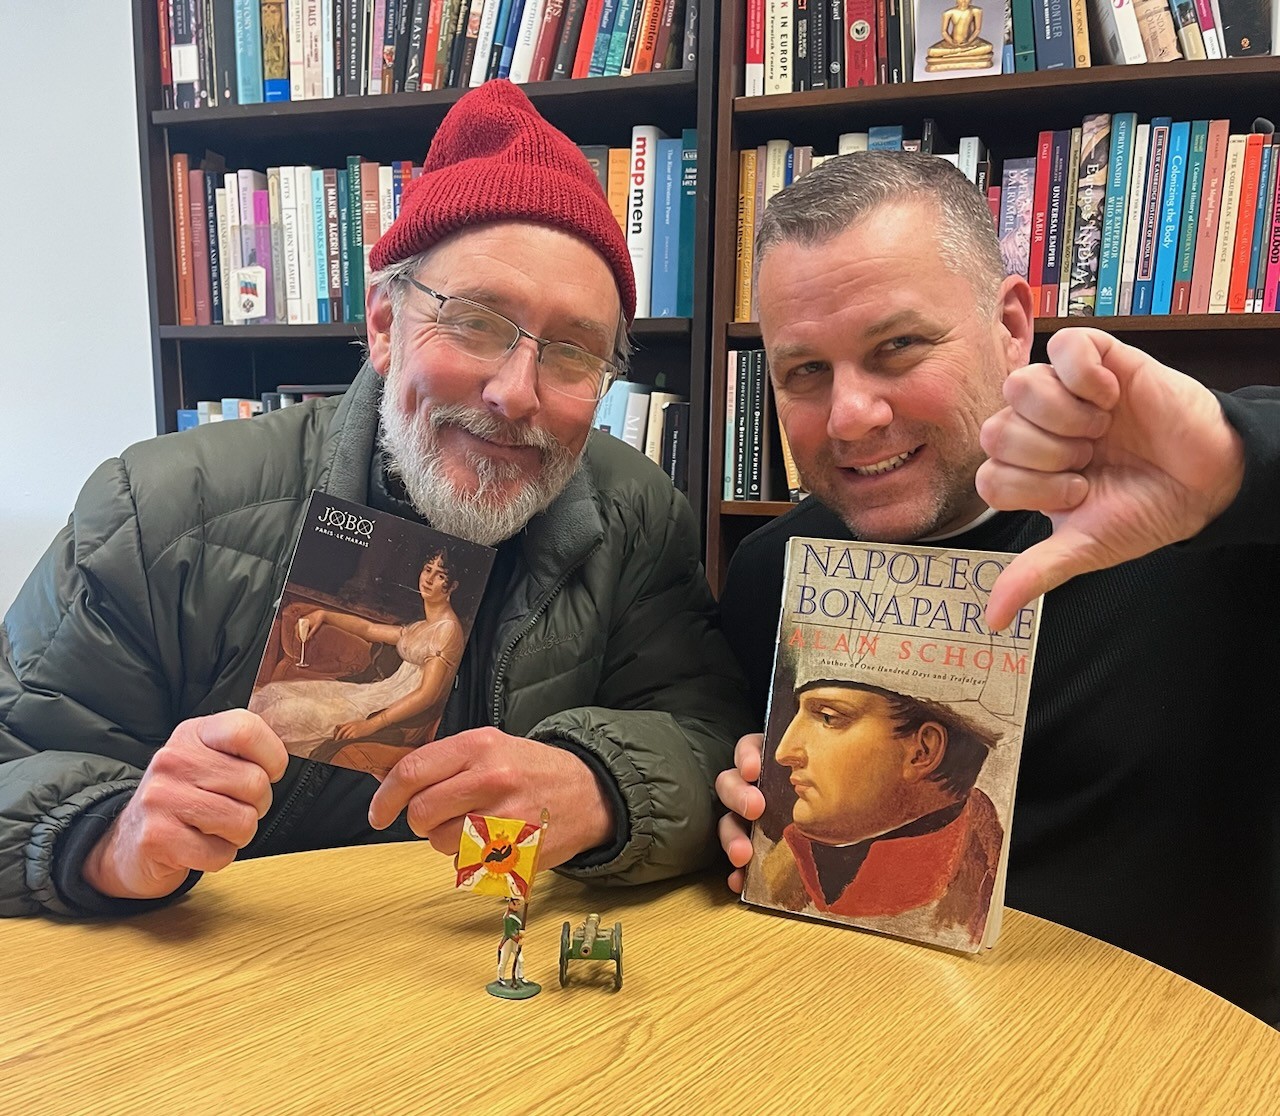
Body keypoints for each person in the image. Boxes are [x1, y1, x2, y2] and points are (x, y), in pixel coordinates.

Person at [0, 79, 752, 920]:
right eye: (475, 322)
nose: (515, 392)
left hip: (499, 981)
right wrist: (109, 838)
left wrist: (604, 783)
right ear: (385, 325)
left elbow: (717, 735)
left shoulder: (634, 512)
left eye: (573, 353)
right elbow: (15, 763)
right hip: (234, 988)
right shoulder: (158, 510)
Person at [715, 151, 1280, 1026]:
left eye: (897, 347)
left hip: (1171, 1060)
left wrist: (1242, 460)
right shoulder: (768, 575)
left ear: (1012, 325)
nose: (850, 415)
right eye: (804, 372)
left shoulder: (1203, 531)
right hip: (842, 1032)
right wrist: (735, 812)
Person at [754, 678, 1002, 948]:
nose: (783, 753)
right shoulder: (778, 861)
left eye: (828, 717)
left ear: (922, 752)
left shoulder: (973, 890)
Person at [248, 551, 467, 773]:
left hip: (393, 713)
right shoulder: (422, 626)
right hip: (377, 695)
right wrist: (324, 614)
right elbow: (369, 629)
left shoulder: (447, 630)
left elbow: (426, 695)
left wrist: (371, 725)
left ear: (453, 586)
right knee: (274, 694)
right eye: (427, 570)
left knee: (285, 713)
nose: (428, 579)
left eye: (440, 575)